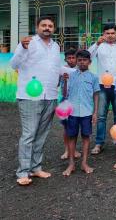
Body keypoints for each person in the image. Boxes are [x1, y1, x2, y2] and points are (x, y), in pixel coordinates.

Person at [11, 16, 62, 186]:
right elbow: (14, 64)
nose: (47, 28)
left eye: (50, 26)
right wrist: (23, 48)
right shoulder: (28, 42)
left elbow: (56, 67)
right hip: (30, 96)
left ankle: (36, 168)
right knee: (29, 134)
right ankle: (23, 171)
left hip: (51, 95)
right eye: (44, 25)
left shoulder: (55, 46)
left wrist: (72, 71)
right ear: (37, 26)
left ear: (54, 28)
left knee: (41, 134)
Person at [89, 24, 116, 155]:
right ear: (104, 34)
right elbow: (88, 56)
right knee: (101, 116)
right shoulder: (100, 46)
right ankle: (99, 143)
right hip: (102, 85)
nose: (110, 35)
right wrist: (96, 44)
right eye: (107, 33)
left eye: (112, 33)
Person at [61, 50, 100, 176]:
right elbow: (64, 94)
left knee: (86, 137)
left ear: (90, 62)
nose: (82, 62)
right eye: (79, 60)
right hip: (72, 113)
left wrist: (95, 113)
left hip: (86, 112)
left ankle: (84, 163)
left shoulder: (93, 77)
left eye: (84, 60)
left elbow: (96, 95)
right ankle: (71, 164)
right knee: (71, 137)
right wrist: (65, 81)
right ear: (76, 62)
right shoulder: (70, 75)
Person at [59, 48, 81, 160]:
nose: (71, 60)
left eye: (73, 58)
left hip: (77, 101)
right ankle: (67, 150)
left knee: (75, 127)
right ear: (65, 59)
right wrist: (63, 78)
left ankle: (74, 149)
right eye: (69, 58)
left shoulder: (80, 69)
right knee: (66, 127)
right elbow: (57, 84)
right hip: (65, 102)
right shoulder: (62, 70)